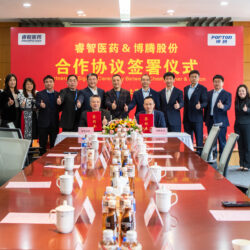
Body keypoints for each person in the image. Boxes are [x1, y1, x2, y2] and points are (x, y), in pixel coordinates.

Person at [204, 75, 231, 158]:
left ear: (223, 83)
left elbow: (228, 106)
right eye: (215, 81)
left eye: (219, 81)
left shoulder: (227, 94)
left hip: (221, 122)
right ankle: (213, 159)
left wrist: (222, 106)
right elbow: (206, 107)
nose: (216, 83)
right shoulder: (209, 93)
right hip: (210, 120)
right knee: (212, 142)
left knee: (222, 142)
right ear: (213, 83)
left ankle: (223, 160)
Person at [183, 70, 208, 152]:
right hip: (187, 118)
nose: (193, 78)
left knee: (199, 139)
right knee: (188, 140)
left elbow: (205, 102)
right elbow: (186, 103)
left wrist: (200, 106)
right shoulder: (186, 88)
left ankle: (199, 158)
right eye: (192, 77)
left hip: (197, 118)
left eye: (195, 77)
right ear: (189, 78)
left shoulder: (202, 89)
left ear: (198, 78)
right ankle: (188, 156)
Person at [36, 75, 60, 155]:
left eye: (50, 82)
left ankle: (52, 162)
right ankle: (40, 163)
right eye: (46, 82)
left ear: (53, 83)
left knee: (54, 145)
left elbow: (60, 107)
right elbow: (37, 103)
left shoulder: (58, 94)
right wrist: (40, 105)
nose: (48, 83)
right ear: (44, 83)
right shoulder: (39, 94)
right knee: (42, 145)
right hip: (43, 123)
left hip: (54, 123)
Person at [234, 84, 250, 171]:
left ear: (246, 92)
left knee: (247, 145)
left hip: (247, 125)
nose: (241, 92)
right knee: (240, 145)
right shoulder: (236, 101)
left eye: (243, 91)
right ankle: (241, 164)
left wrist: (247, 110)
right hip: (238, 126)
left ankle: (247, 164)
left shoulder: (249, 100)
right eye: (240, 91)